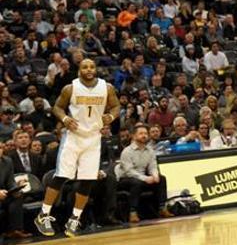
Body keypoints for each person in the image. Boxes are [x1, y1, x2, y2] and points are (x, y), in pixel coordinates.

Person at [34, 59, 120, 238]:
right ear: (79, 70)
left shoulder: (107, 88)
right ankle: (43, 214)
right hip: (73, 137)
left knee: (88, 180)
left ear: (95, 69)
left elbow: (116, 106)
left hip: (94, 138)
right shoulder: (70, 88)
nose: (89, 69)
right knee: (62, 176)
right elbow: (57, 107)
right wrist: (65, 119)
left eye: (92, 66)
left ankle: (75, 218)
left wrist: (110, 117)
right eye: (85, 67)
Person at [116, 125, 174, 222]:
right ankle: (133, 212)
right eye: (141, 133)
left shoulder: (150, 151)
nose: (144, 136)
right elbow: (129, 171)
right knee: (136, 182)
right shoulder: (127, 152)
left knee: (161, 178)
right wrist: (145, 178)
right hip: (125, 179)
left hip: (141, 177)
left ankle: (162, 208)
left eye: (146, 134)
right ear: (134, 136)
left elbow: (152, 166)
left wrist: (155, 174)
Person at [1, 152, 32, 239]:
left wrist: (15, 189)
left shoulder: (7, 161)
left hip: (4, 192)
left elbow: (10, 181)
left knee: (17, 196)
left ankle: (15, 230)